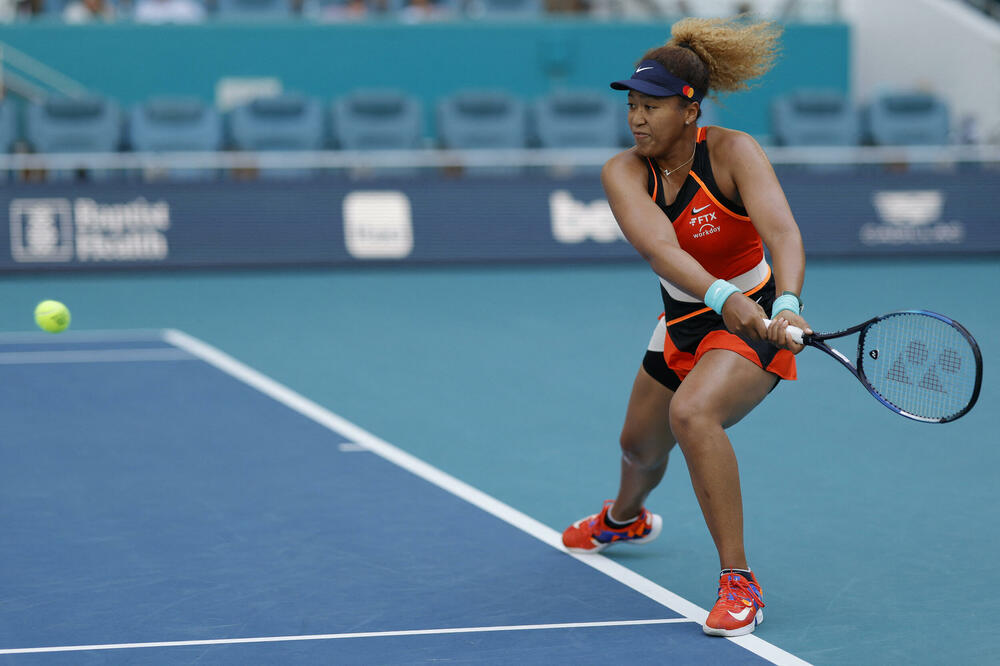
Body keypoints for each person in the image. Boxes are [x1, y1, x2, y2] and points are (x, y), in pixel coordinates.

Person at [561, 16, 812, 638]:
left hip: (752, 320)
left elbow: (783, 232)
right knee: (637, 449)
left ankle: (739, 582)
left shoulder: (733, 153)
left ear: (690, 108)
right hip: (687, 318)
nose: (637, 118)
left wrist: (786, 303)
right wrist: (723, 296)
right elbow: (663, 251)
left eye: (652, 107)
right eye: (632, 107)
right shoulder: (623, 172)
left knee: (693, 415)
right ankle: (624, 518)